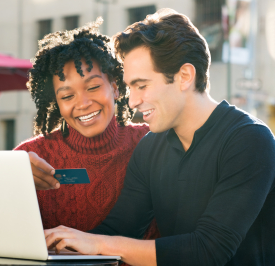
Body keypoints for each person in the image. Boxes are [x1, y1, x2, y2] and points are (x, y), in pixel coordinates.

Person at [44, 8, 275, 266]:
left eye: (141, 85)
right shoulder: (150, 148)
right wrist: (53, 244)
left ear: (184, 76)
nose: (132, 101)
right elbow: (118, 231)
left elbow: (209, 251)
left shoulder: (250, 140)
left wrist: (98, 244)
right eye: (130, 87)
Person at [14, 19, 159, 239]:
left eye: (93, 87)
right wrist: (11, 184)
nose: (82, 103)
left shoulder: (153, 143)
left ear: (115, 87)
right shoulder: (31, 160)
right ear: (57, 103)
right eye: (67, 96)